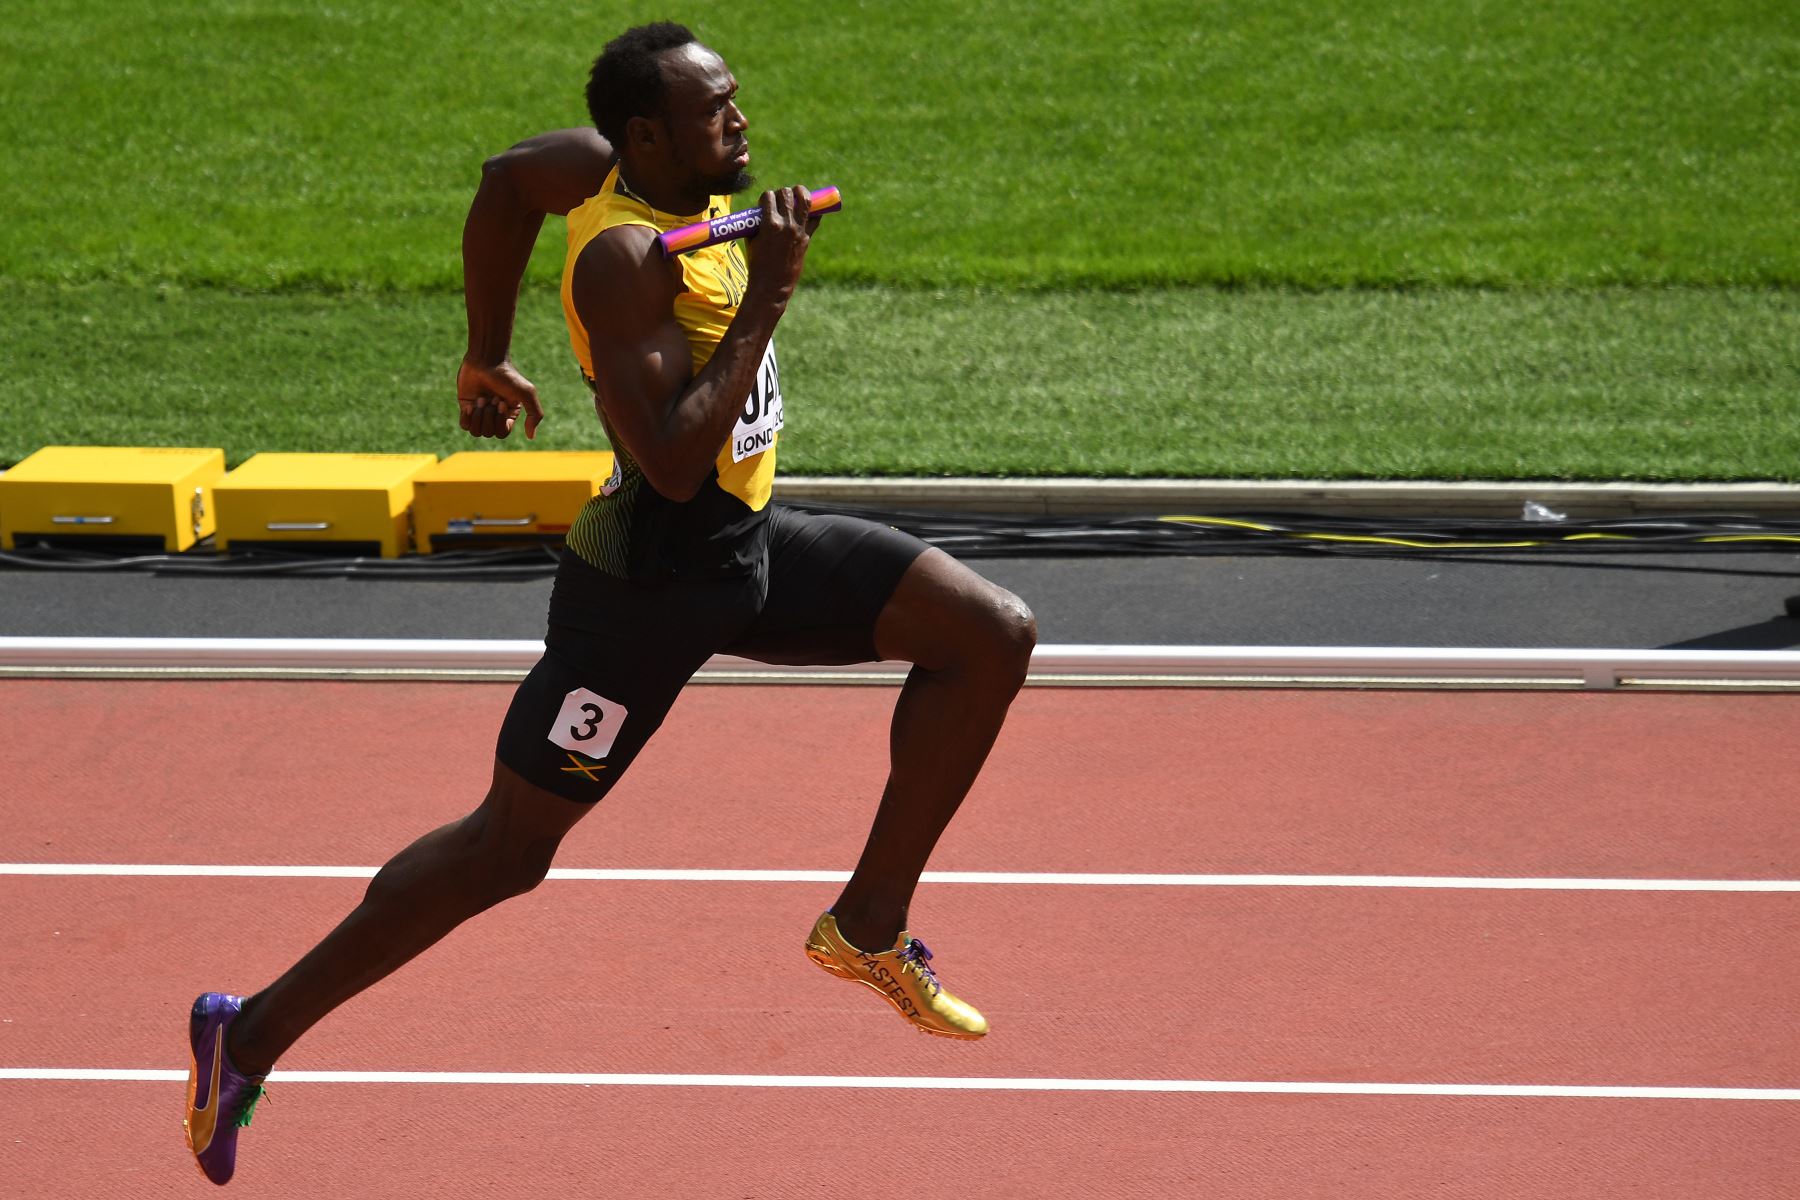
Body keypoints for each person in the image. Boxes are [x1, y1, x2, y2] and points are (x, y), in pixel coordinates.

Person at [184, 21, 1035, 1186]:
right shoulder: (624, 258)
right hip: (646, 589)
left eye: (737, 98)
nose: (741, 120)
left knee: (988, 633)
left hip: (745, 553)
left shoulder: (590, 164)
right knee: (504, 851)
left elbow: (502, 185)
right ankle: (251, 1031)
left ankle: (868, 926)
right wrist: (766, 298)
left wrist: (484, 354)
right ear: (650, 135)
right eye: (716, 108)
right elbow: (676, 460)